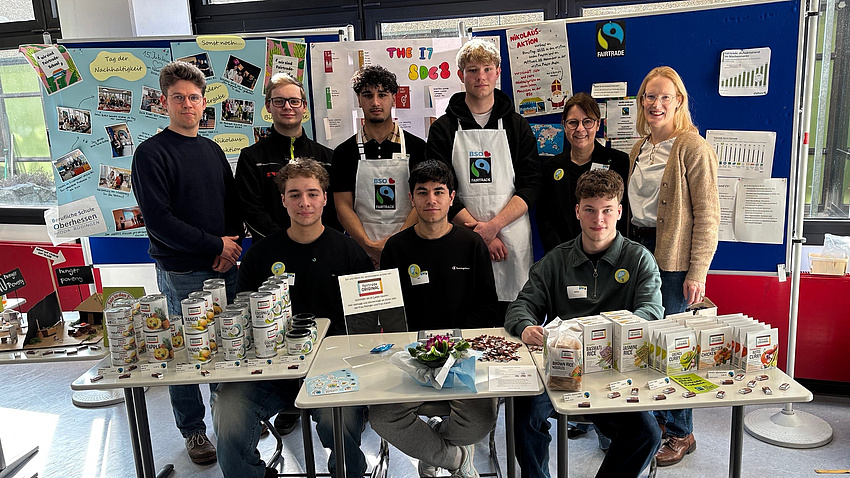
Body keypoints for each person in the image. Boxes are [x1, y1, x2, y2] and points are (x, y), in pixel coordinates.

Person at [212, 158, 374, 478]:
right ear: (283, 200)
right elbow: (243, 319)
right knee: (227, 411)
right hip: (269, 371)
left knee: (336, 420)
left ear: (325, 198)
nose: (305, 203)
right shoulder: (260, 255)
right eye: (295, 194)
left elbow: (366, 324)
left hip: (330, 367)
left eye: (313, 193)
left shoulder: (350, 253)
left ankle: (349, 473)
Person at [506, 169, 663, 478]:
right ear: (577, 211)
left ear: (619, 211)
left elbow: (651, 313)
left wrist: (606, 334)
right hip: (562, 366)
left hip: (614, 369)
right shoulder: (556, 260)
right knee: (523, 417)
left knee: (648, 434)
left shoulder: (639, 259)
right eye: (590, 209)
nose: (598, 219)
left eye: (607, 210)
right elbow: (521, 306)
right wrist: (525, 326)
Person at [132, 60, 244, 466]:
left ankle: (228, 422)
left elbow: (233, 207)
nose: (187, 104)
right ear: (164, 103)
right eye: (178, 98)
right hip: (182, 272)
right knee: (186, 354)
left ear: (203, 104)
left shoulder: (212, 149)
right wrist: (214, 245)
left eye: (194, 98)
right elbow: (160, 222)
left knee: (225, 349)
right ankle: (193, 429)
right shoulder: (151, 154)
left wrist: (230, 246)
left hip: (224, 266)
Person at [369, 160, 498, 478]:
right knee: (382, 418)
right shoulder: (397, 248)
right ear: (411, 198)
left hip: (462, 353)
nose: (431, 200)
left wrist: (454, 348)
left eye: (439, 192)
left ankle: (434, 453)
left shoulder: (471, 245)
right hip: (410, 354)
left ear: (452, 197)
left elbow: (486, 305)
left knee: (480, 421)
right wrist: (416, 349)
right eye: (422, 193)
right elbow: (391, 312)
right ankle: (453, 459)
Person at [627, 66, 720, 467]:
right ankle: (660, 423)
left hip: (673, 259)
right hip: (636, 252)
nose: (656, 104)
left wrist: (698, 272)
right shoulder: (638, 147)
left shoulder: (692, 147)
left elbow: (709, 216)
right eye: (650, 96)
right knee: (643, 341)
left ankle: (682, 432)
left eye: (665, 97)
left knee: (671, 346)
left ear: (679, 101)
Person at [427, 38, 541, 323]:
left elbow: (531, 184)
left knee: (512, 316)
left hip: (511, 235)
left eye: (487, 69)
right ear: (460, 75)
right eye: (472, 70)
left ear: (498, 72)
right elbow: (438, 190)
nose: (481, 77)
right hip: (461, 236)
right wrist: (478, 235)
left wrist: (493, 227)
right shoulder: (443, 129)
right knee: (466, 311)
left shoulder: (517, 126)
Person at [330, 65, 427, 266]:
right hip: (362, 252)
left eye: (382, 95)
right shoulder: (344, 152)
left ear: (393, 97)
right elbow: (342, 206)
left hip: (410, 247)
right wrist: (368, 245)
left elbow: (423, 199)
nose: (375, 102)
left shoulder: (418, 148)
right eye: (368, 95)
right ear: (359, 100)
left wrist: (397, 244)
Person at [236, 73, 342, 242]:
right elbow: (250, 210)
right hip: (271, 252)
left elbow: (337, 208)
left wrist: (322, 242)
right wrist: (284, 243)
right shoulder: (251, 158)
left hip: (321, 250)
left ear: (304, 106)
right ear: (268, 106)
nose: (287, 107)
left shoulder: (328, 157)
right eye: (279, 101)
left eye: (294, 101)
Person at [537, 92, 630, 253]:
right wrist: (561, 257)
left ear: (598, 124)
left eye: (587, 122)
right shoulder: (550, 167)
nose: (580, 129)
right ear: (564, 126)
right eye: (573, 122)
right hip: (563, 257)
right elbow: (545, 220)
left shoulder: (618, 162)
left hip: (607, 255)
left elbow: (623, 215)